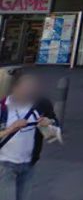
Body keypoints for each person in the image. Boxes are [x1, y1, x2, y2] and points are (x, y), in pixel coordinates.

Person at [0, 71, 61, 200]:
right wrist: (10, 129)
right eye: (25, 85)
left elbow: (55, 128)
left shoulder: (42, 104)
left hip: (28, 164)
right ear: (15, 87)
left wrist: (48, 123)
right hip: (4, 165)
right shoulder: (3, 107)